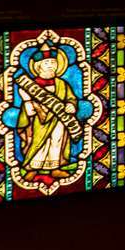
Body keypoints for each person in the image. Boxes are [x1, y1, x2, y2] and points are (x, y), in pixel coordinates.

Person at [15, 45, 79, 178]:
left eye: (53, 62)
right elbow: (28, 110)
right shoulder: (31, 85)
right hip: (38, 121)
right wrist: (27, 101)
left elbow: (71, 98)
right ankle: (33, 168)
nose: (51, 65)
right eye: (46, 62)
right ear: (38, 66)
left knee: (56, 142)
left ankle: (55, 168)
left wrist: (71, 105)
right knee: (38, 142)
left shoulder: (62, 84)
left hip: (59, 119)